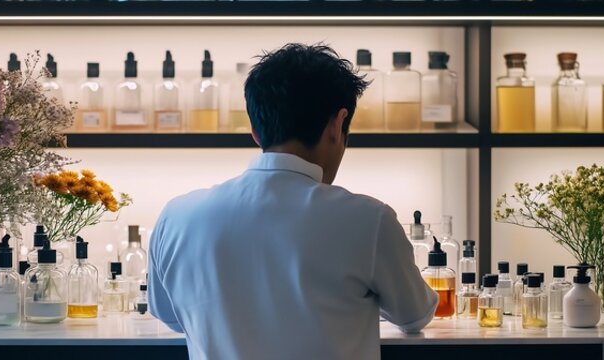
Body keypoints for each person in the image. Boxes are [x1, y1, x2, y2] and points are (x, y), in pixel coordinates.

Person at [147, 43, 438, 360]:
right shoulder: (369, 219)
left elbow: (171, 316)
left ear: (256, 132)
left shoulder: (177, 217)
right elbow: (414, 316)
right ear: (338, 124)